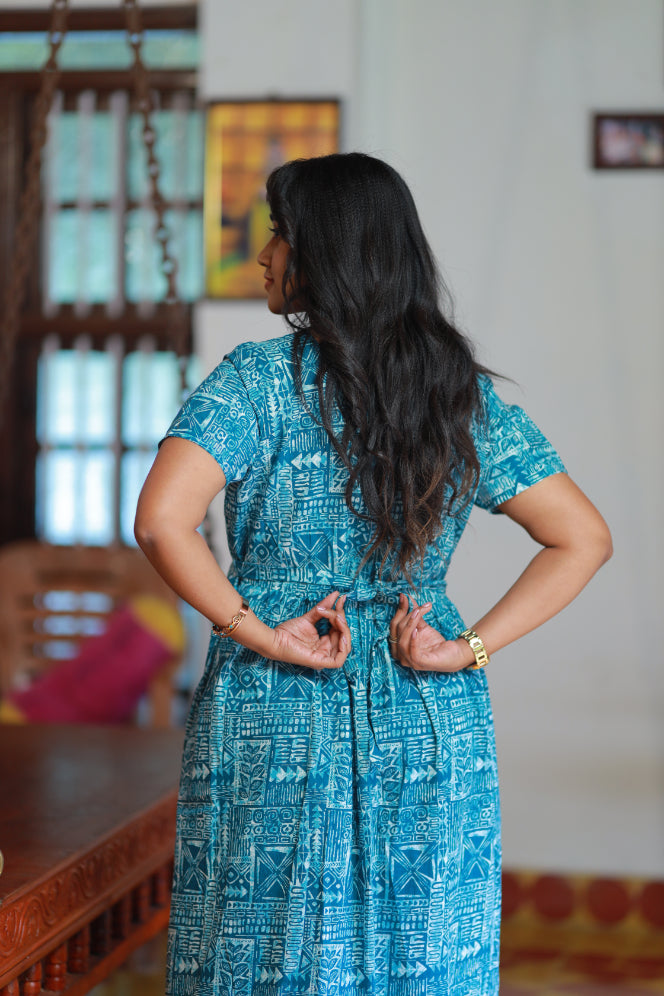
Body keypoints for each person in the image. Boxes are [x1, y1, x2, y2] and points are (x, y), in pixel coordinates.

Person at [135, 152, 611, 996]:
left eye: (279, 235)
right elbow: (582, 537)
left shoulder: (256, 382)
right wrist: (467, 649)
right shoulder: (456, 394)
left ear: (323, 253)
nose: (265, 256)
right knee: (419, 946)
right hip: (424, 703)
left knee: (266, 951)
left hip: (279, 695)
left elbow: (160, 521)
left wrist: (252, 629)